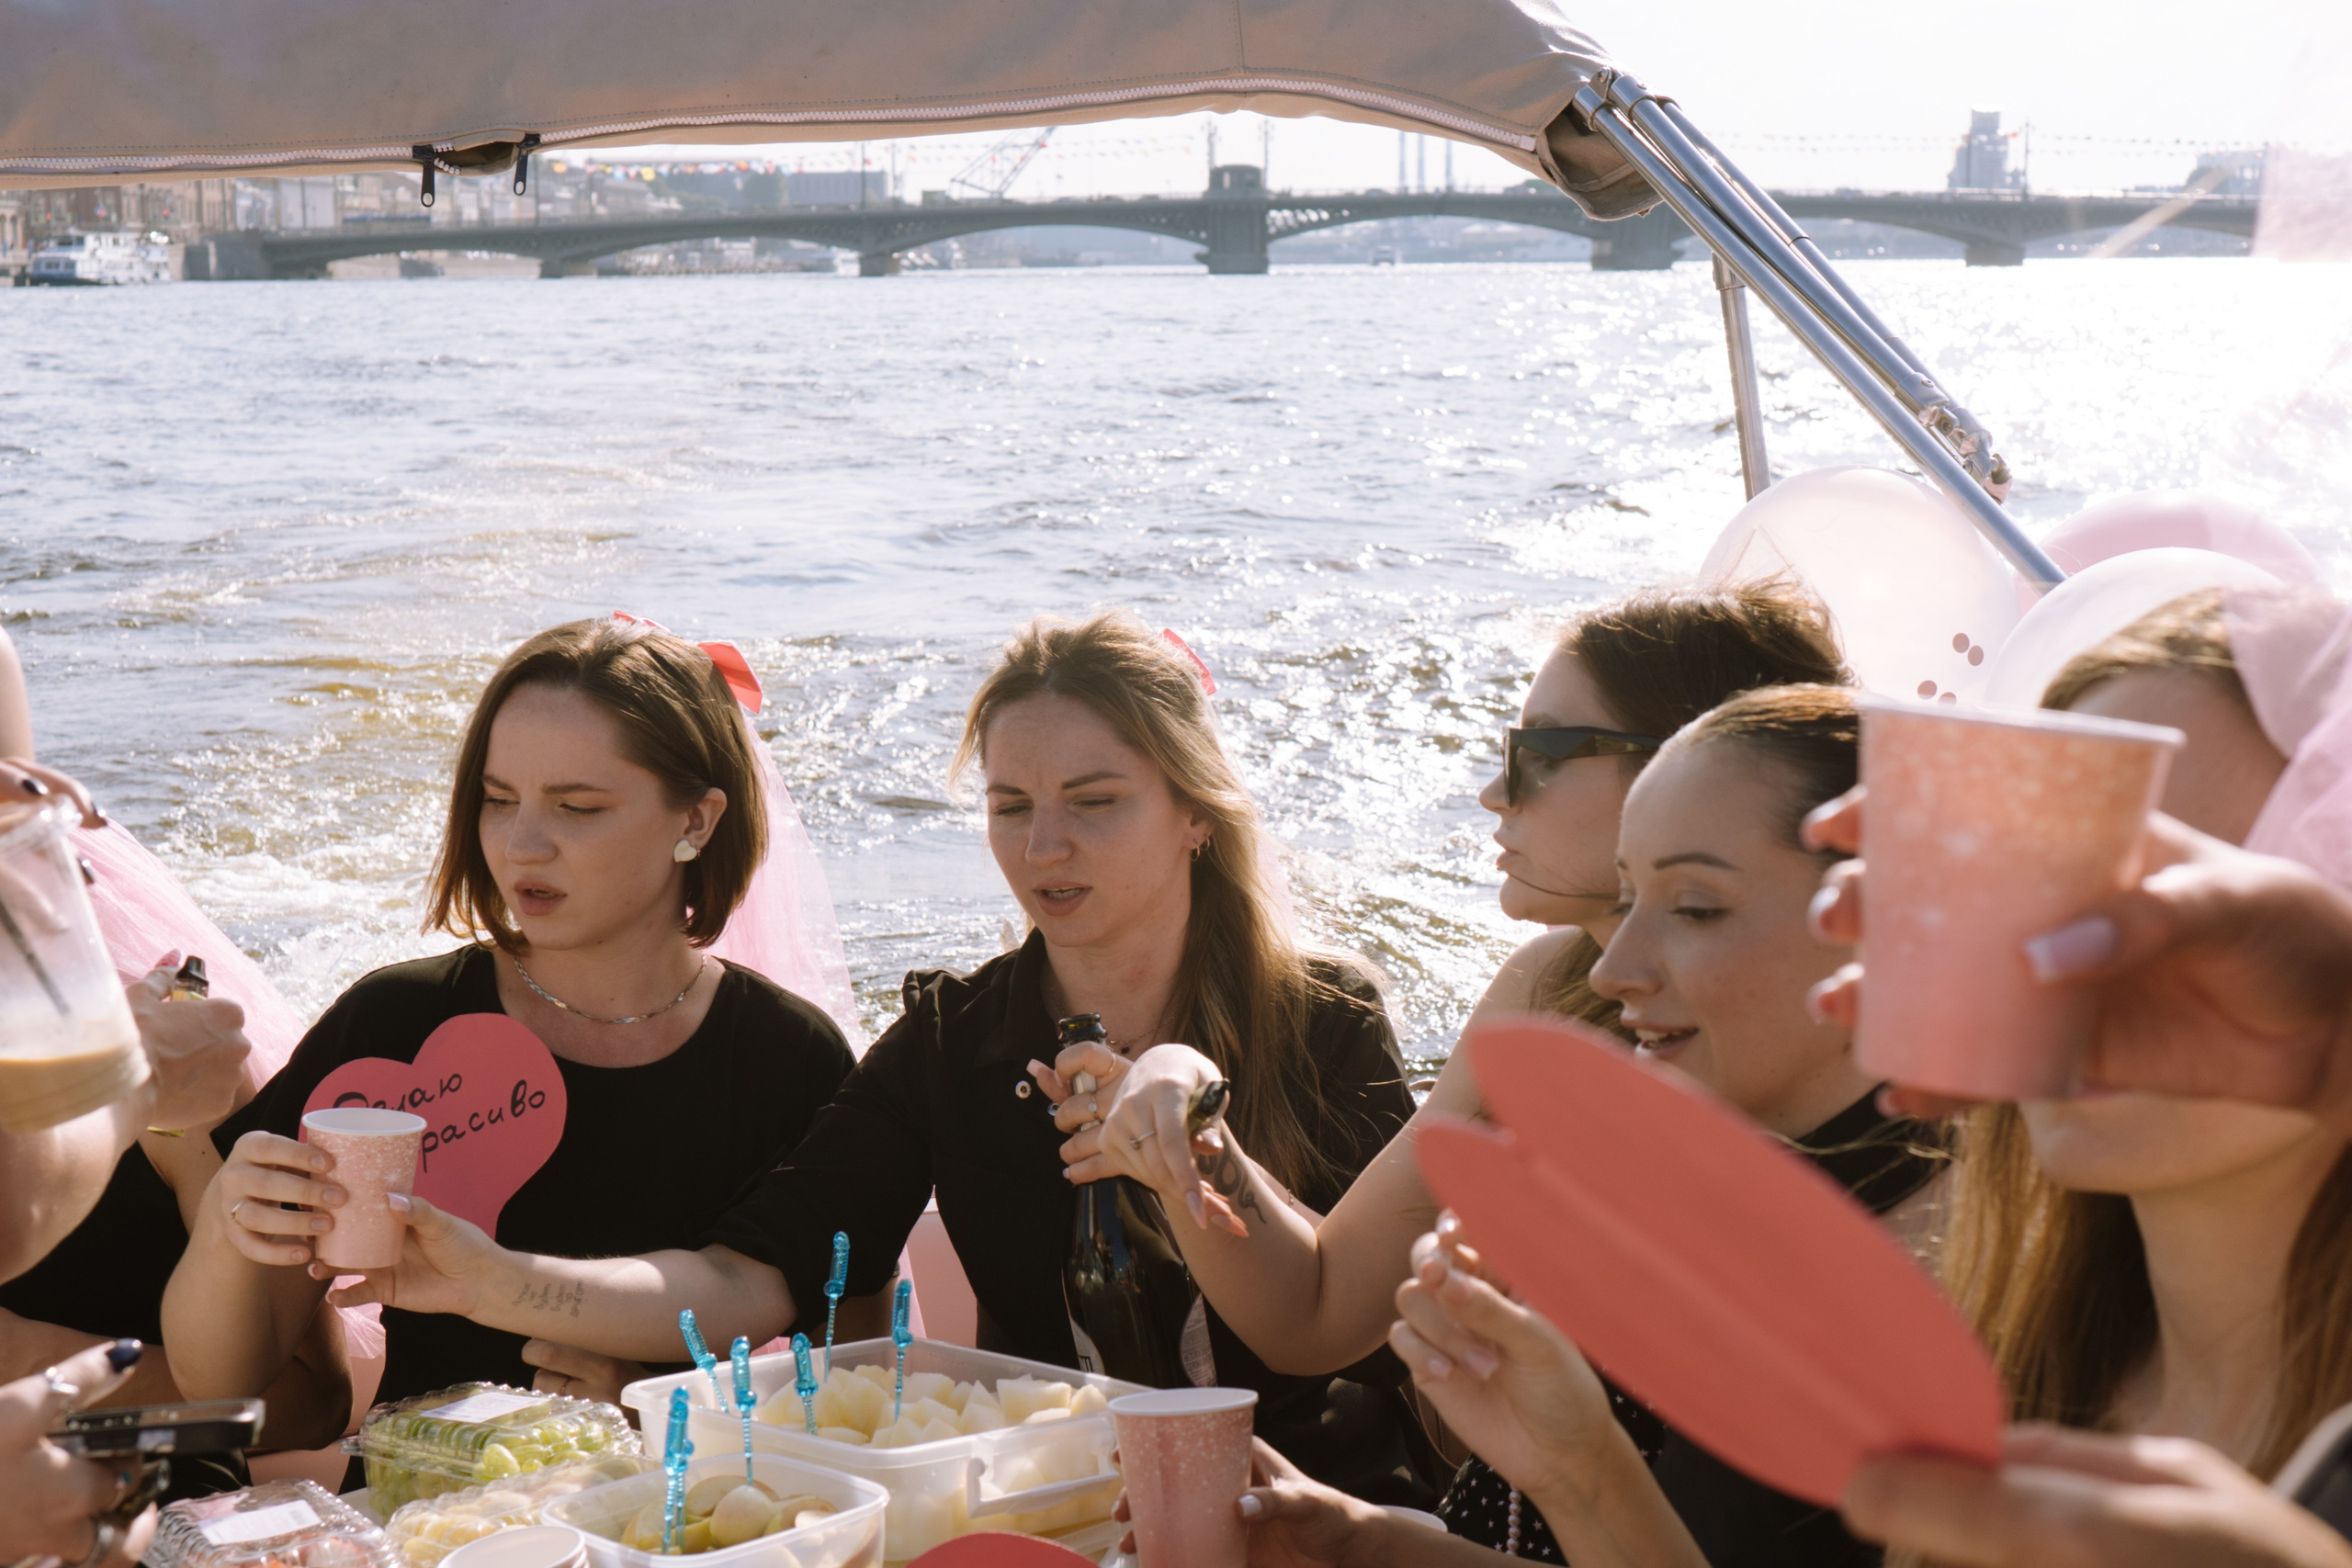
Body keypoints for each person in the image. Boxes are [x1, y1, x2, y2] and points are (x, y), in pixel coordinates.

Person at [315, 610, 1439, 1503]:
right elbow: (753, 1279)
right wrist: (496, 1277)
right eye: (1008, 805)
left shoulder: (1327, 1021)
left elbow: (1369, 1315)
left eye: (1094, 803)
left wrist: (1194, 1136)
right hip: (1060, 1509)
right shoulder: (952, 1042)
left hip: (1324, 1505)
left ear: (1194, 811)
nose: (1042, 847)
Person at [162, 618, 855, 1478]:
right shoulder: (392, 1025)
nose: (521, 844)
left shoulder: (793, 1061)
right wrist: (232, 1218)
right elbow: (219, 1379)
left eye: (577, 807)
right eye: (498, 798)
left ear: (699, 819)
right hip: (420, 1528)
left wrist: (662, 1408)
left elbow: (858, 1380)